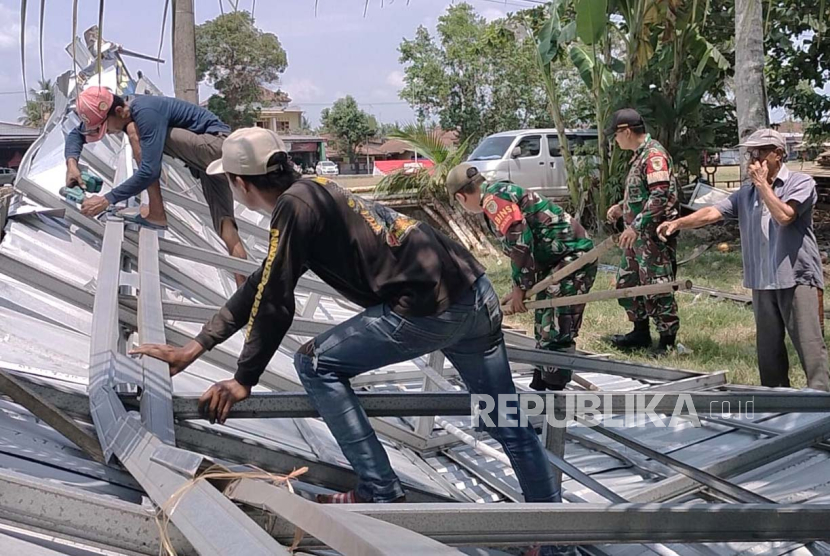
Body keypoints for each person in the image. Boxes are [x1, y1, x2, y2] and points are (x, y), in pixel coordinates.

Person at [131, 127, 575, 556]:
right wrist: (197, 345)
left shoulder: (293, 208)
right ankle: (554, 539)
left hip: (430, 307)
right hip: (475, 294)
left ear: (240, 183)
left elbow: (275, 302)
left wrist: (244, 378)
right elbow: (265, 283)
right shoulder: (314, 190)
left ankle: (379, 489)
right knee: (508, 423)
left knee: (315, 364)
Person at [658, 129, 830, 391]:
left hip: (796, 278)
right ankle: (776, 408)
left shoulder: (800, 183)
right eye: (750, 152)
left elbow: (785, 217)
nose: (753, 157)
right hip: (762, 279)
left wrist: (763, 186)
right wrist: (677, 223)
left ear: (779, 154)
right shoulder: (746, 193)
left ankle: (821, 409)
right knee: (769, 352)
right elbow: (712, 213)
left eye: (760, 151)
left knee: (811, 349)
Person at [64, 86, 248, 285]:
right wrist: (72, 164)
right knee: (226, 227)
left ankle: (157, 213)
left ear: (118, 111)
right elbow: (76, 135)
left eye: (106, 127)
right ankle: (245, 291)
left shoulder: (145, 112)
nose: (108, 133)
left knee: (136, 132)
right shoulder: (127, 110)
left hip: (218, 147)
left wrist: (106, 200)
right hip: (207, 165)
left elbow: (150, 171)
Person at [448, 163, 596, 391]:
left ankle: (554, 396)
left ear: (460, 197)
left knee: (558, 327)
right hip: (555, 260)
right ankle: (541, 382)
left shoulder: (493, 200)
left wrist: (520, 287)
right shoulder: (496, 194)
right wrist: (521, 287)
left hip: (573, 258)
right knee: (544, 324)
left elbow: (520, 242)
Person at [605, 108, 680, 355]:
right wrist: (621, 207)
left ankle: (667, 341)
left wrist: (636, 226)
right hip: (636, 238)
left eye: (615, 135)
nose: (614, 140)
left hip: (652, 236)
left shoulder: (653, 155)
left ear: (626, 131)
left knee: (657, 286)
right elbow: (644, 194)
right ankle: (640, 333)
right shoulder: (640, 156)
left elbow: (659, 195)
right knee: (629, 283)